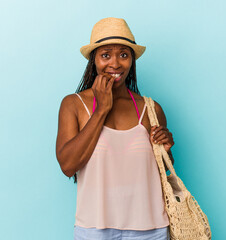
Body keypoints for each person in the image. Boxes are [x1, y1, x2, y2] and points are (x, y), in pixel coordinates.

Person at [56, 17, 175, 240]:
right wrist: (101, 110)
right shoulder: (73, 105)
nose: (115, 63)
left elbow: (161, 171)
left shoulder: (151, 109)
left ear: (132, 60)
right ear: (94, 60)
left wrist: (166, 151)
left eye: (123, 54)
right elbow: (67, 165)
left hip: (150, 230)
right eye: (105, 55)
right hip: (94, 229)